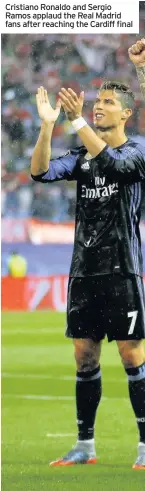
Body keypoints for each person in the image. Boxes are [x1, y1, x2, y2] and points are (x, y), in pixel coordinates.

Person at [31, 39, 145, 469]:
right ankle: (85, 446)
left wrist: (76, 118)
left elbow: (114, 167)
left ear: (126, 114)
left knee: (132, 354)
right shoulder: (81, 156)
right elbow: (40, 172)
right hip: (84, 271)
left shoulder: (137, 152)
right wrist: (47, 126)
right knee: (84, 354)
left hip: (123, 269)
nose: (99, 107)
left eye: (108, 102)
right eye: (96, 102)